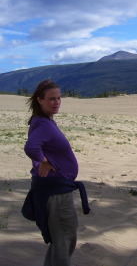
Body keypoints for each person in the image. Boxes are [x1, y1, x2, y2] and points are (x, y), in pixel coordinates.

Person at [22, 78, 90, 266]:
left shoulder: (41, 120)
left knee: (60, 240)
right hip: (56, 193)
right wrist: (43, 161)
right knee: (64, 240)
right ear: (40, 100)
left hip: (53, 190)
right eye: (51, 99)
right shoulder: (43, 124)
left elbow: (37, 146)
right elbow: (31, 147)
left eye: (59, 98)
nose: (57, 102)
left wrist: (43, 159)